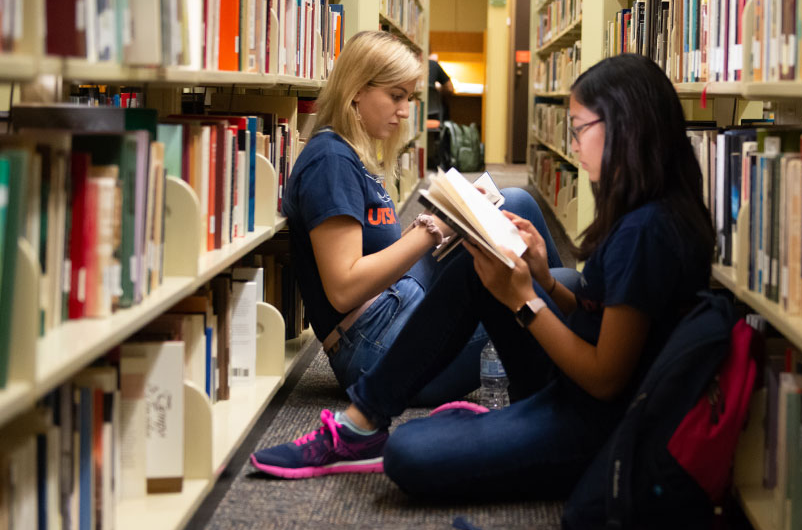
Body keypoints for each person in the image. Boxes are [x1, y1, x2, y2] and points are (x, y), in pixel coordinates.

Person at [251, 53, 714, 497]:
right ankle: (363, 421)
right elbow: (601, 317)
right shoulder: (643, 211)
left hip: (594, 427)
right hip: (570, 393)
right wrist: (544, 281)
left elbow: (606, 381)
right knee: (492, 267)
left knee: (410, 456)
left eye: (580, 129)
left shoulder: (646, 233)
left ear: (626, 131)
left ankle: (380, 420)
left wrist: (524, 302)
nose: (572, 144)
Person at [279, 30, 563, 415]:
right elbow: (344, 290)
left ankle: (561, 328)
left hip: (397, 299)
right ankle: (573, 353)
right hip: (374, 345)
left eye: (409, 98)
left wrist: (459, 218)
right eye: (396, 96)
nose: (404, 110)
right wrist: (435, 227)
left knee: (513, 202)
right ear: (357, 90)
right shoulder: (331, 162)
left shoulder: (350, 152)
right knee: (537, 295)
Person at [426, 53, 453, 125]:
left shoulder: (412, 63)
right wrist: (437, 90)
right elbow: (450, 89)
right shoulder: (433, 64)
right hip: (434, 112)